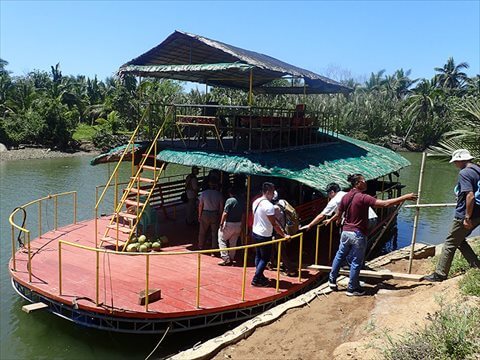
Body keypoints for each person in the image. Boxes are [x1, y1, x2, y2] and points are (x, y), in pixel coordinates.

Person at [326, 174, 417, 296]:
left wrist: (332, 220)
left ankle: (332, 280)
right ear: (357, 183)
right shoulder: (363, 197)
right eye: (363, 180)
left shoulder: (345, 196)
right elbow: (385, 204)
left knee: (340, 255)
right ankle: (352, 288)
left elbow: (338, 213)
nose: (365, 182)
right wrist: (404, 197)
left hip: (345, 232)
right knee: (356, 261)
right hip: (357, 234)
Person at [425, 149, 480, 282]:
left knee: (450, 243)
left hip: (466, 215)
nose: (455, 164)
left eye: (455, 161)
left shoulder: (465, 173)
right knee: (459, 240)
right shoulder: (477, 169)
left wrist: (467, 217)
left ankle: (440, 274)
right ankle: (476, 265)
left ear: (460, 160)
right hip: (479, 213)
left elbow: (470, 196)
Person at [251, 182, 291, 287]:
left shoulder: (256, 201)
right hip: (264, 234)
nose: (274, 194)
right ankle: (256, 279)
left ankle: (259, 275)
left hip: (255, 232)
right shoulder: (269, 206)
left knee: (258, 255)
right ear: (268, 192)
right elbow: (274, 224)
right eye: (273, 192)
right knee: (265, 258)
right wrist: (284, 235)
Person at [217, 187, 245, 266]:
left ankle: (225, 258)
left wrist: (221, 223)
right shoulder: (242, 201)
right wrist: (242, 225)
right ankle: (231, 257)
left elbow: (225, 213)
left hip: (229, 223)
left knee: (221, 239)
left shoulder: (230, 200)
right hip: (238, 223)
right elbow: (243, 214)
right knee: (233, 242)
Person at [197, 179, 224, 251]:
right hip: (214, 213)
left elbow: (200, 205)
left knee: (202, 231)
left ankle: (200, 246)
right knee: (214, 232)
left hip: (205, 213)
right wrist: (220, 215)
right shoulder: (219, 194)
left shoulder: (203, 193)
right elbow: (221, 207)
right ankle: (214, 247)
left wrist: (199, 215)